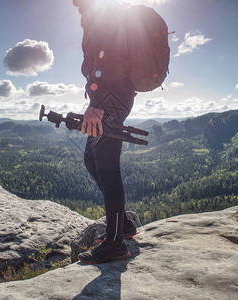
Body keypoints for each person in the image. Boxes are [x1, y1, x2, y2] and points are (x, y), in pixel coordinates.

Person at [73, 0, 138, 264]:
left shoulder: (101, 11)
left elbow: (108, 57)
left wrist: (95, 104)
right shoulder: (93, 12)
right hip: (111, 97)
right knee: (91, 159)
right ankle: (122, 226)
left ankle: (114, 244)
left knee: (107, 168)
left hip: (110, 99)